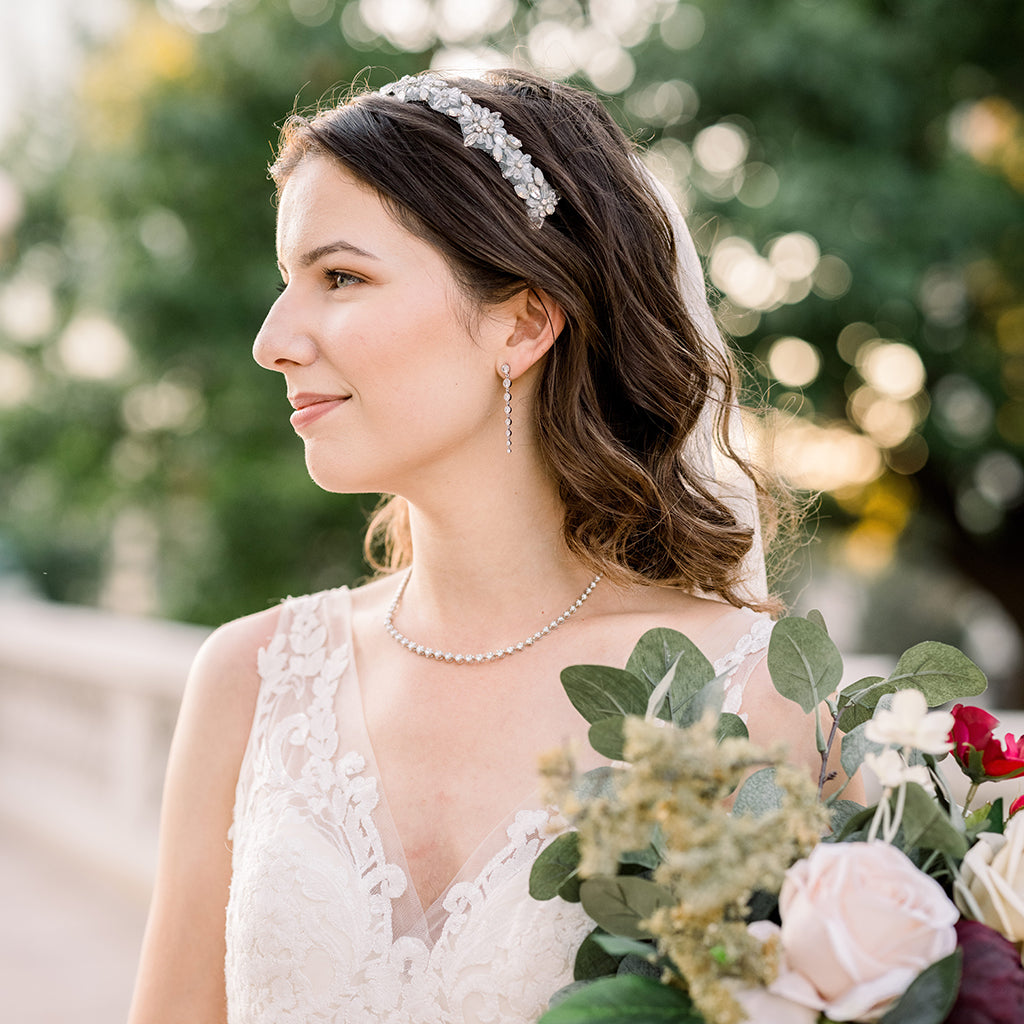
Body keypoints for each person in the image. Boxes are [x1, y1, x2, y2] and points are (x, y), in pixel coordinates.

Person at [128, 68, 839, 1024]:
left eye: (340, 277)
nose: (273, 340)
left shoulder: (750, 700)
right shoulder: (250, 681)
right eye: (287, 282)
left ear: (524, 321)